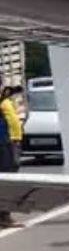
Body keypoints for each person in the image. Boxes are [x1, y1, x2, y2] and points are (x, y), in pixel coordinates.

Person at [0, 86, 18, 227]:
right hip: (3, 144)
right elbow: (13, 121)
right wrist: (16, 138)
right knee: (7, 178)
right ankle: (4, 216)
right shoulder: (4, 103)